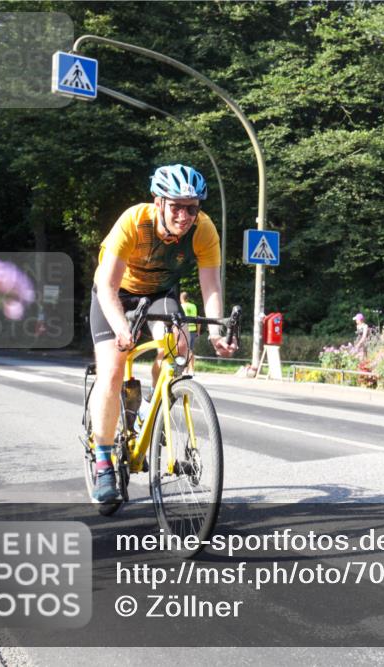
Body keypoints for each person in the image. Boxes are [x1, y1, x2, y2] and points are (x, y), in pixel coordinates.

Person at [88, 164, 236, 503]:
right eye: (176, 206)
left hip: (159, 293)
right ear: (159, 203)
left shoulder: (204, 229)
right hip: (115, 293)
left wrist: (215, 332)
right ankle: (104, 462)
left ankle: (149, 407)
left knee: (180, 346)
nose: (184, 216)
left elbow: (210, 286)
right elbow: (107, 287)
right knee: (112, 370)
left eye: (192, 207)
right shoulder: (133, 222)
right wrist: (123, 329)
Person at [179, 291, 200, 375]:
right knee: (190, 350)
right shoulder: (193, 306)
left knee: (183, 350)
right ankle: (192, 370)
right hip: (193, 330)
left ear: (181, 298)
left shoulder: (181, 306)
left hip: (183, 330)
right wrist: (197, 331)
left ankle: (185, 370)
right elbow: (197, 319)